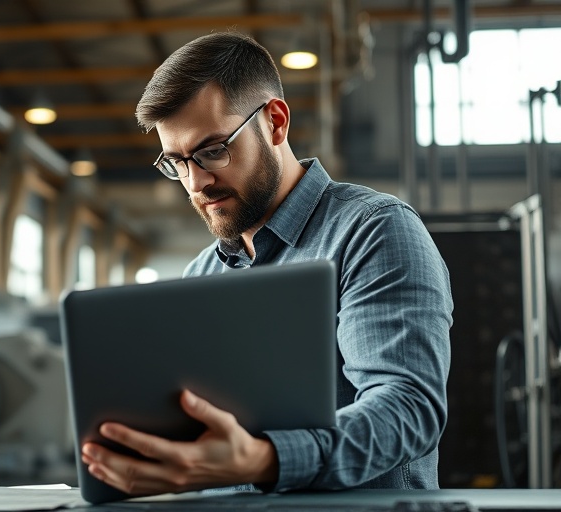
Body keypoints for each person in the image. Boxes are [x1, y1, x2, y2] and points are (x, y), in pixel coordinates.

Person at [79, 31, 452, 496]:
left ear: (275, 123)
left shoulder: (373, 231)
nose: (197, 182)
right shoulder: (201, 276)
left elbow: (406, 409)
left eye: (213, 150)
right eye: (177, 162)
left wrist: (263, 460)